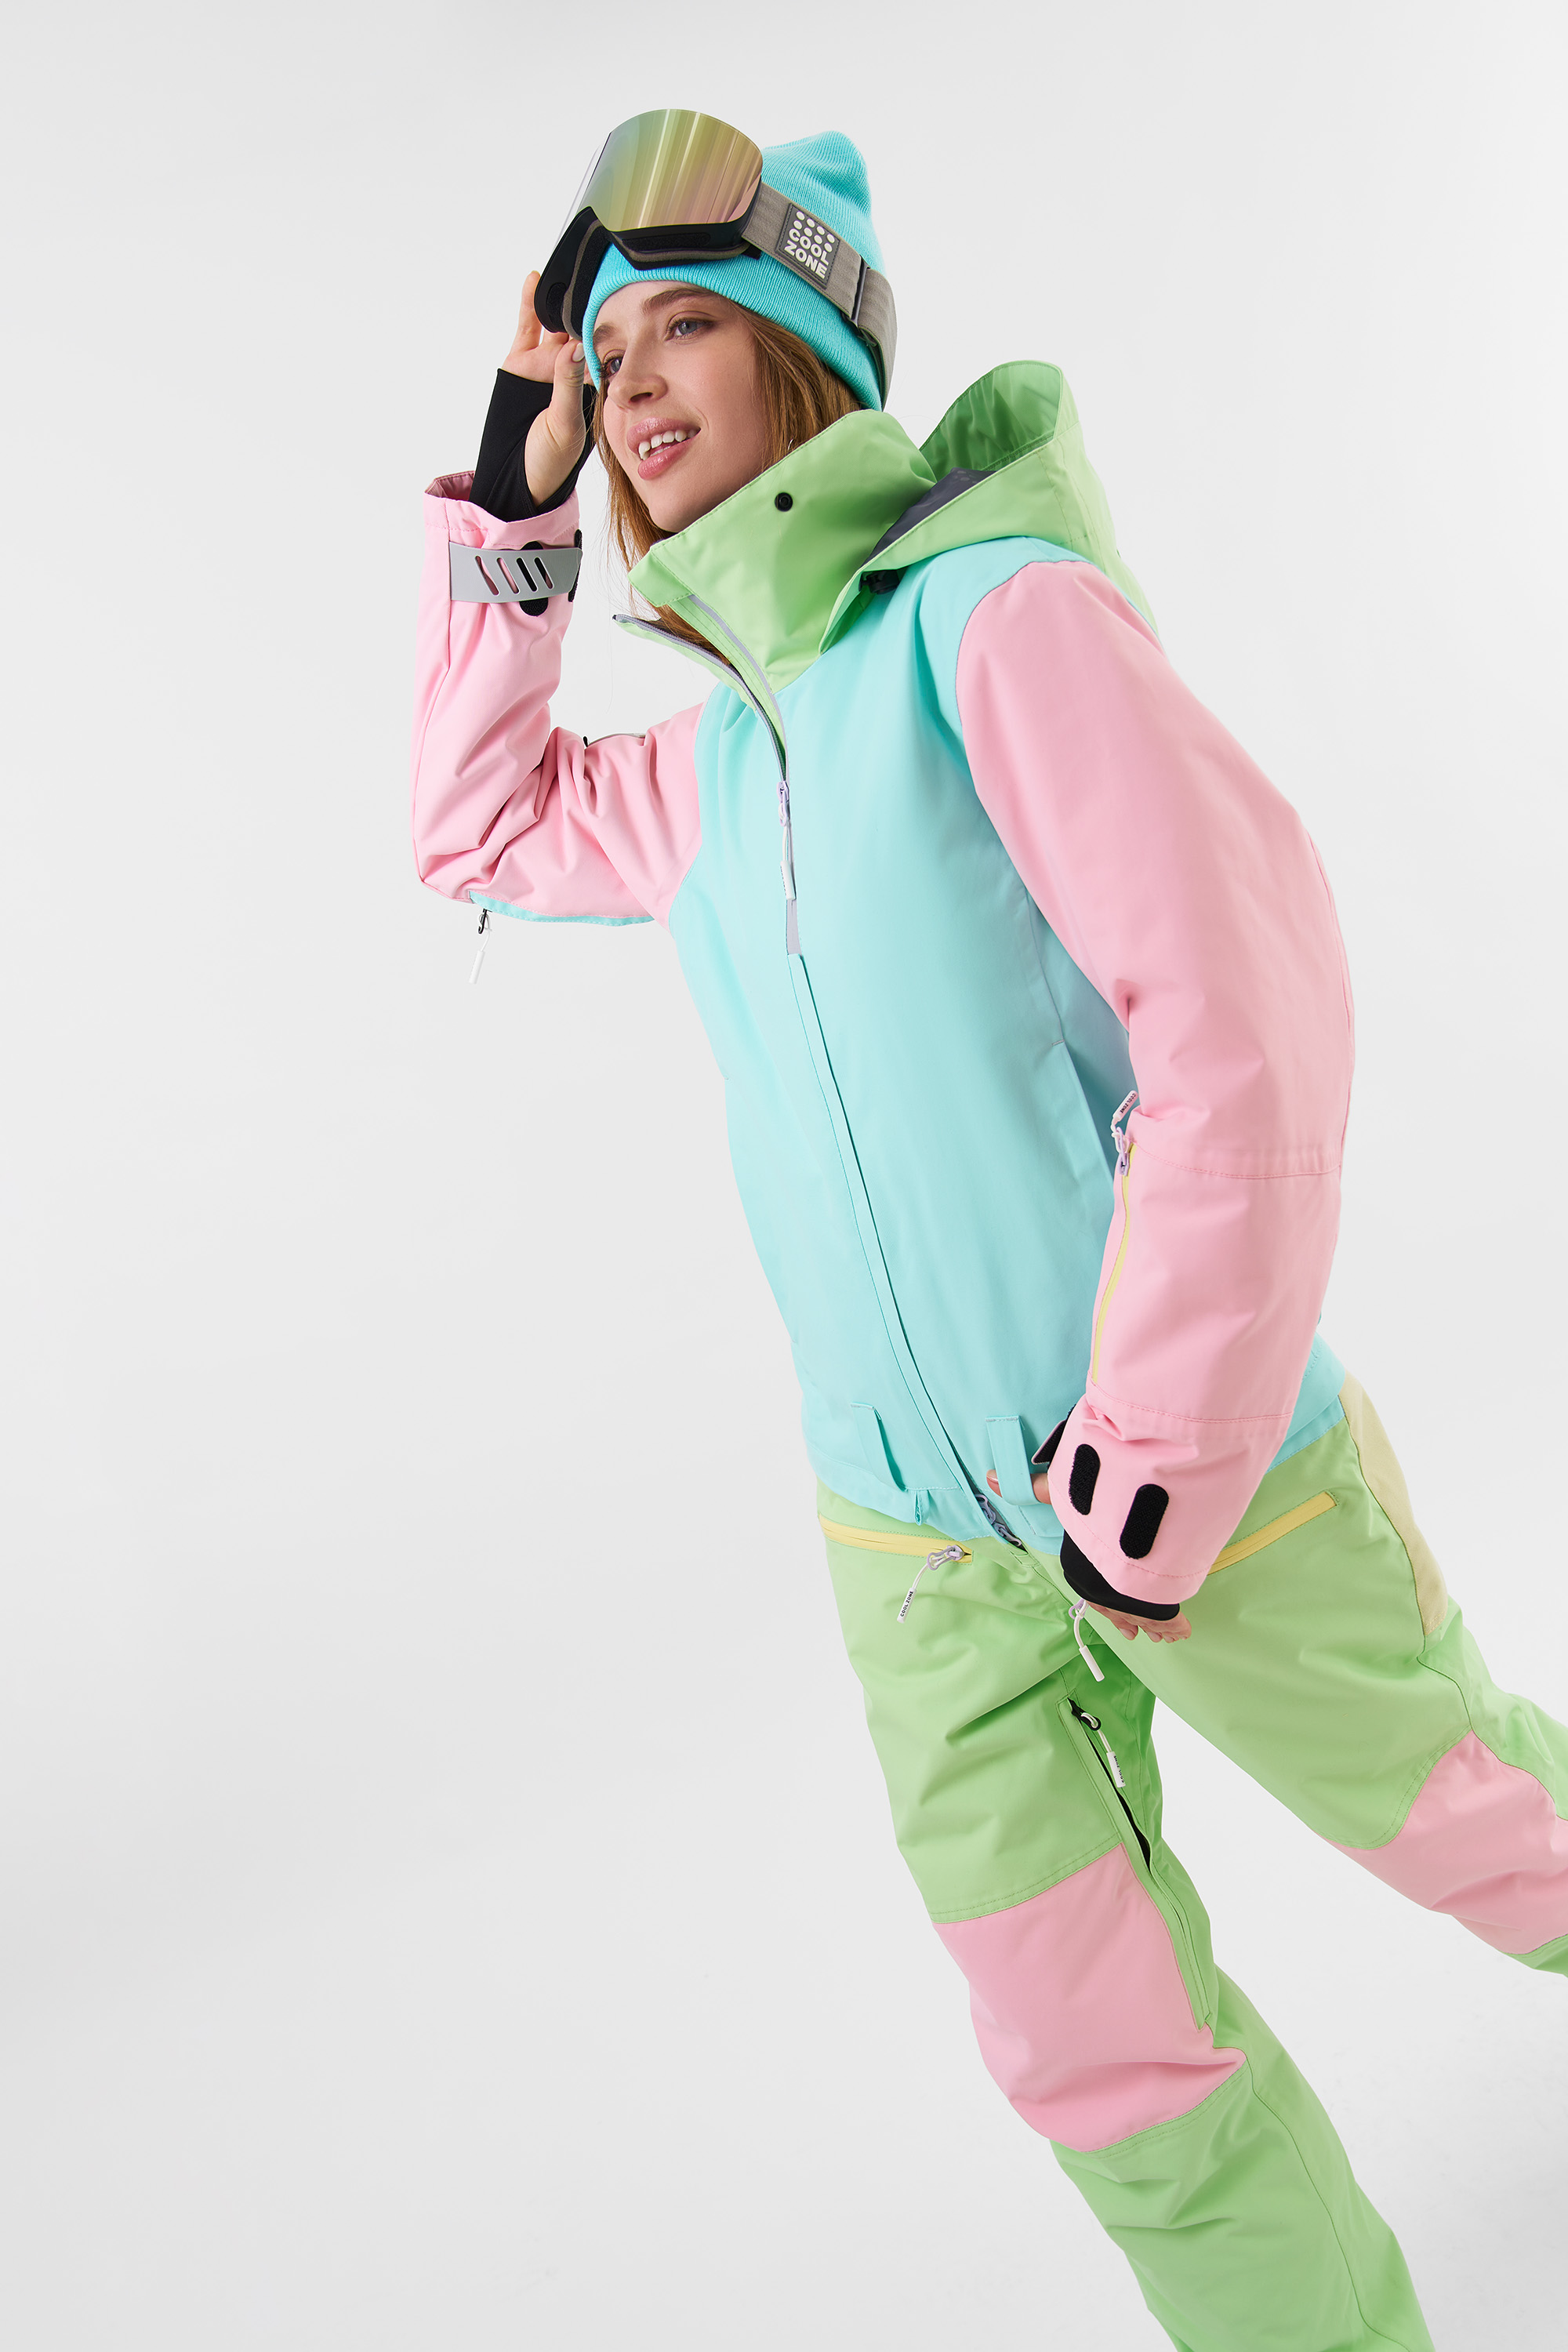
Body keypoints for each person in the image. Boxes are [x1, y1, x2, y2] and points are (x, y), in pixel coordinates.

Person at [411, 115, 1568, 2351]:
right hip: (916, 1561)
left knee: (1496, 1838)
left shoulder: (991, 623)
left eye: (687, 331)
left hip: (1196, 1489)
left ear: (808, 355)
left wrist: (1165, 1448)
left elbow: (1247, 1017)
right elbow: (474, 824)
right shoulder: (718, 766)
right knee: (1102, 2061)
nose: (632, 386)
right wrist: (512, 498)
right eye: (607, 355)